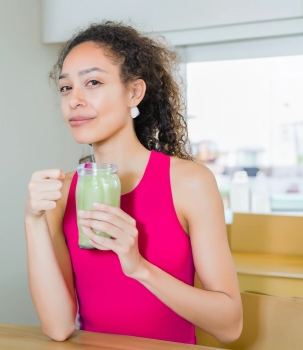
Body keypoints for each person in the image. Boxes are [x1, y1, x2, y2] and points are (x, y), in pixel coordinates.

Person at [24, 21, 243, 345]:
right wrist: (32, 220)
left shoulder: (189, 183)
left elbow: (229, 326)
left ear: (134, 92)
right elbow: (58, 328)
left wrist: (138, 266)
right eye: (66, 87)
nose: (74, 100)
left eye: (93, 82)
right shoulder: (60, 194)